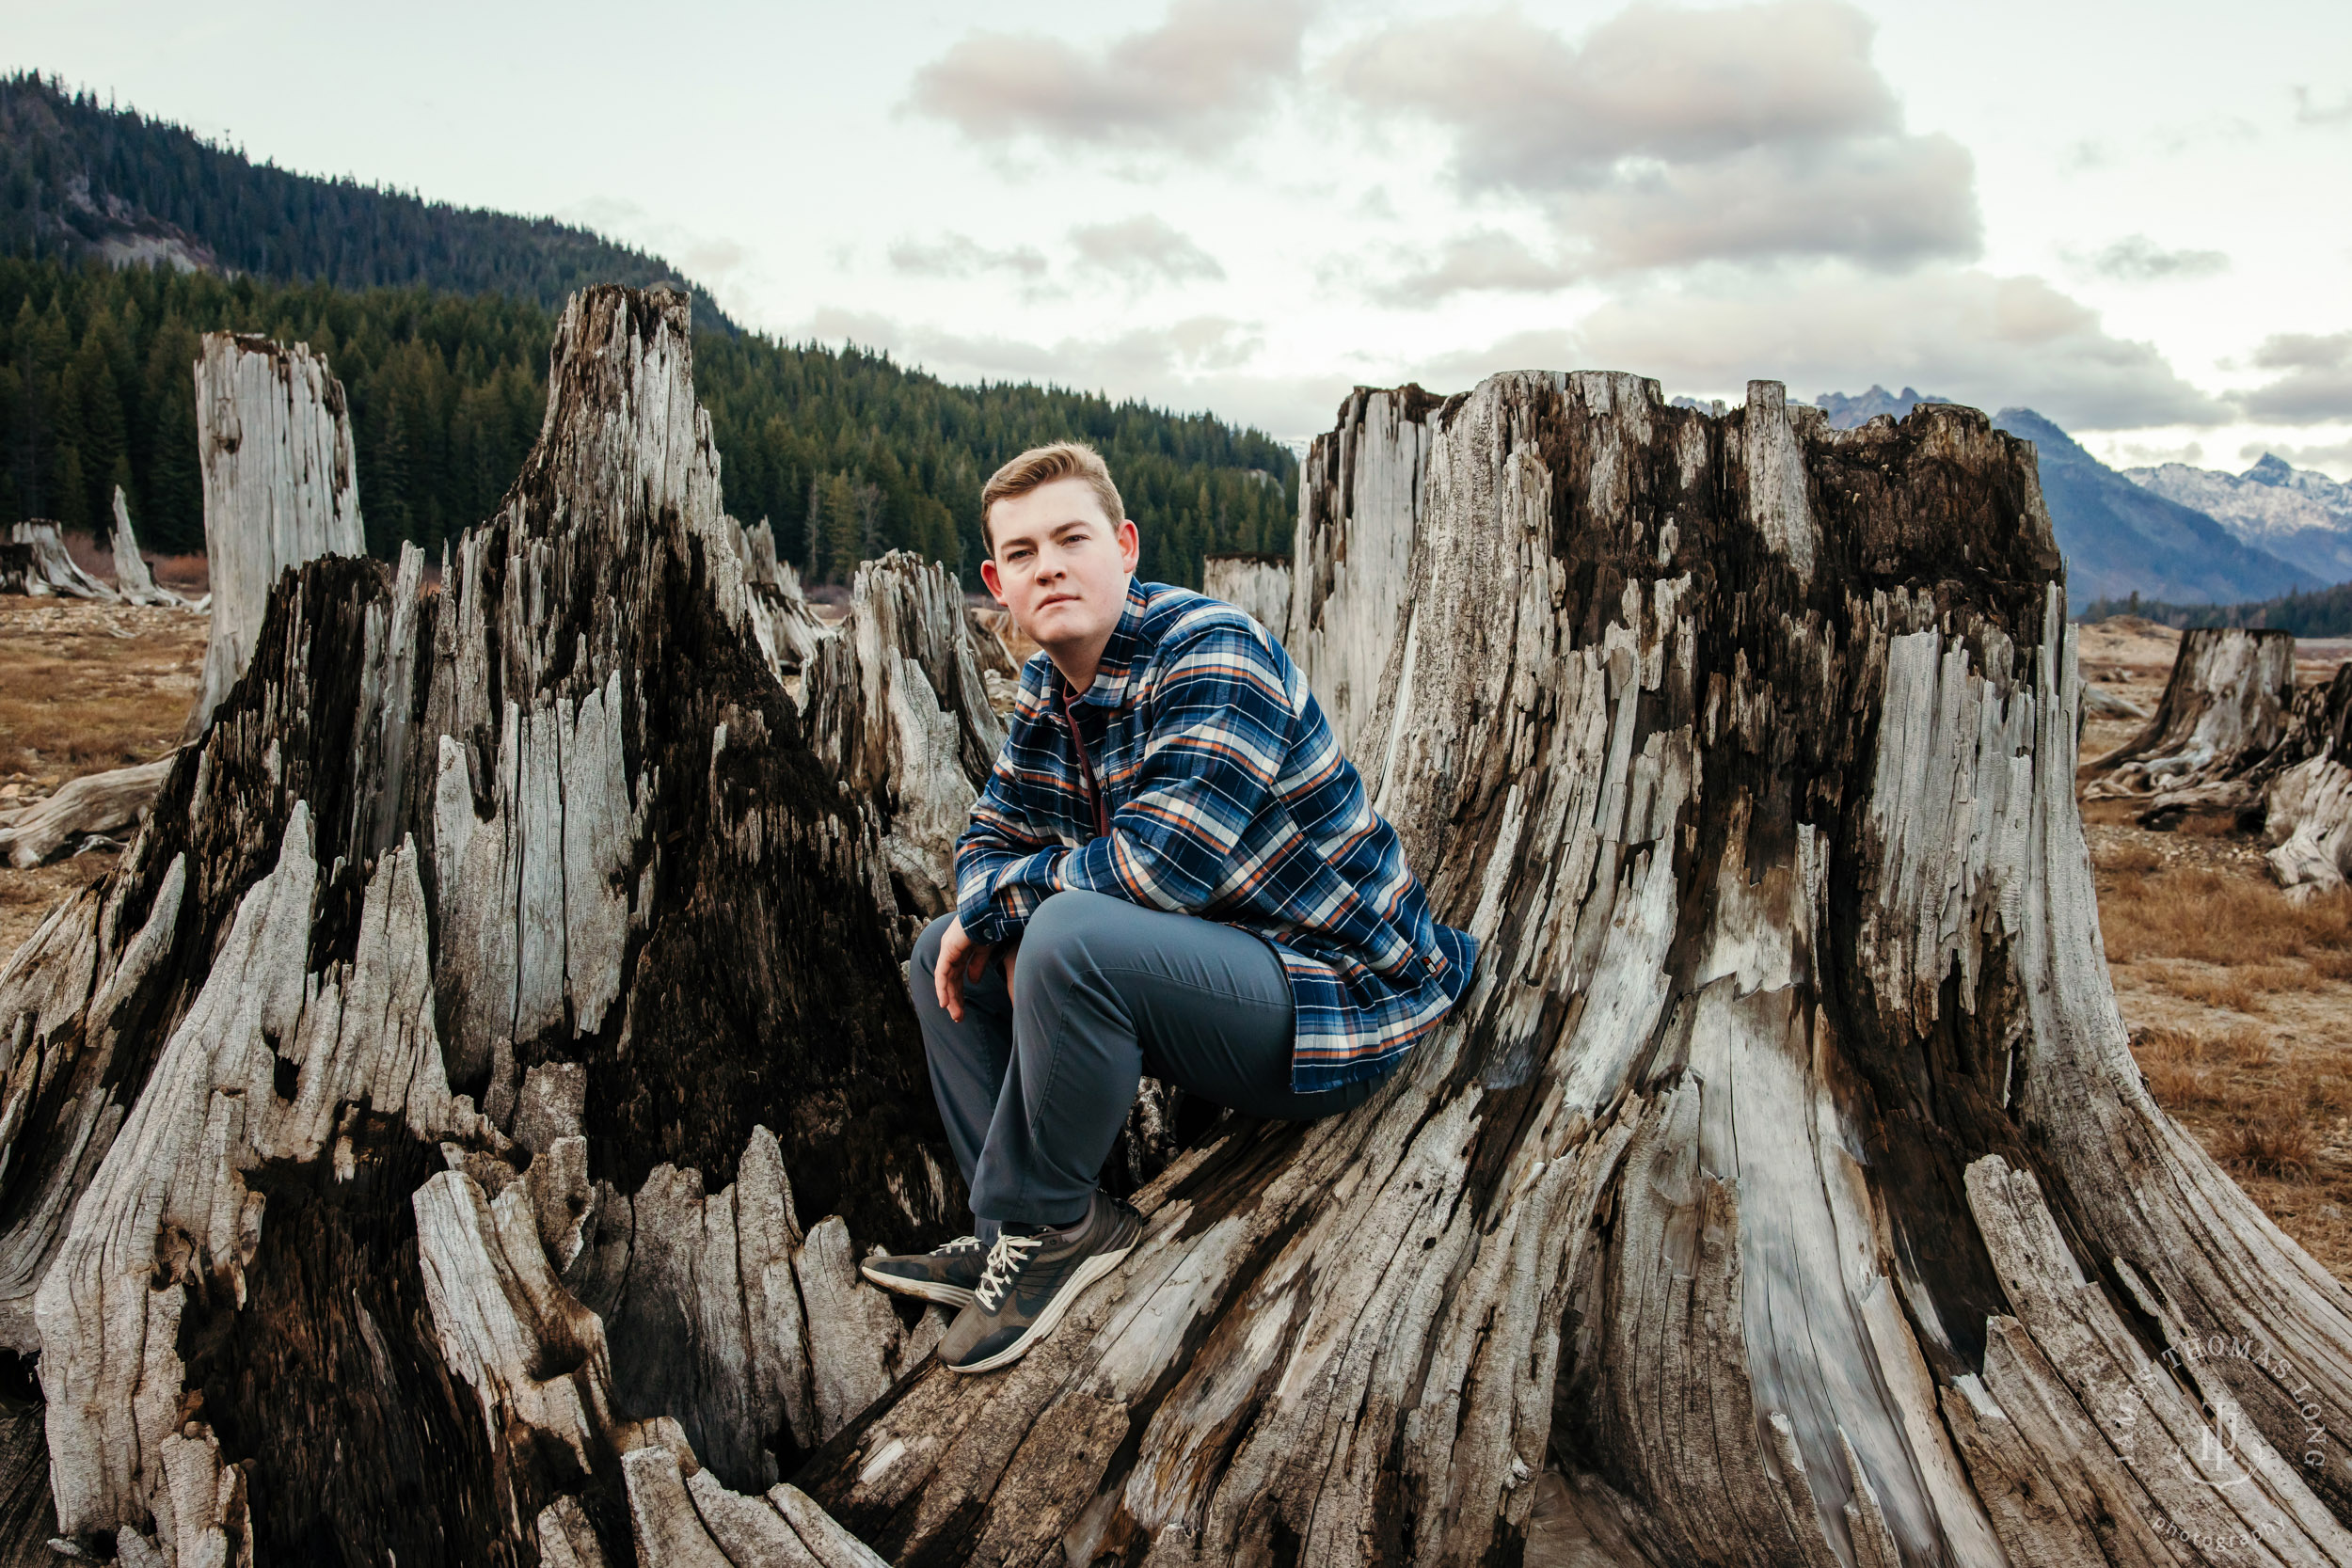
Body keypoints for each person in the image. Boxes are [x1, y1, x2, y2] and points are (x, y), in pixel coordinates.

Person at [861, 441, 1475, 1374]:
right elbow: (981, 850)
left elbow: (1157, 874)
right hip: (1216, 980)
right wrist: (986, 915)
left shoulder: (1208, 649)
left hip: (1338, 1003)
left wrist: (1013, 910)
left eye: (1072, 537)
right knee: (937, 948)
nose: (1050, 564)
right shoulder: (1046, 694)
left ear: (1126, 545)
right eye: (1023, 553)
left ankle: (1065, 1223)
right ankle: (1008, 1239)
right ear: (997, 579)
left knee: (1063, 933)